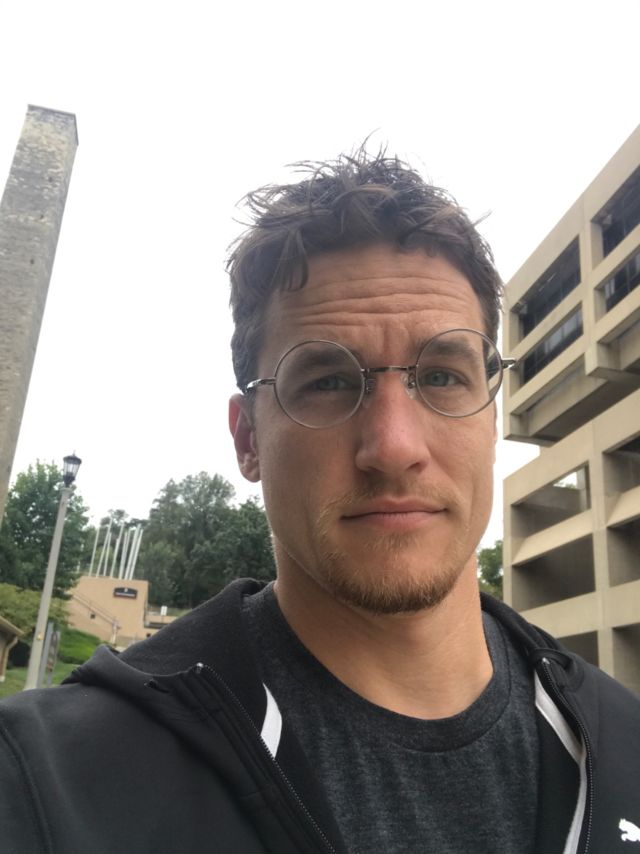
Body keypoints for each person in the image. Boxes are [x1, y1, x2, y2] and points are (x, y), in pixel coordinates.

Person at [0, 149, 638, 854]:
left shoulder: (624, 747)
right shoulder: (48, 783)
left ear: (491, 419)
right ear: (248, 440)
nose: (393, 446)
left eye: (441, 377)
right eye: (328, 382)